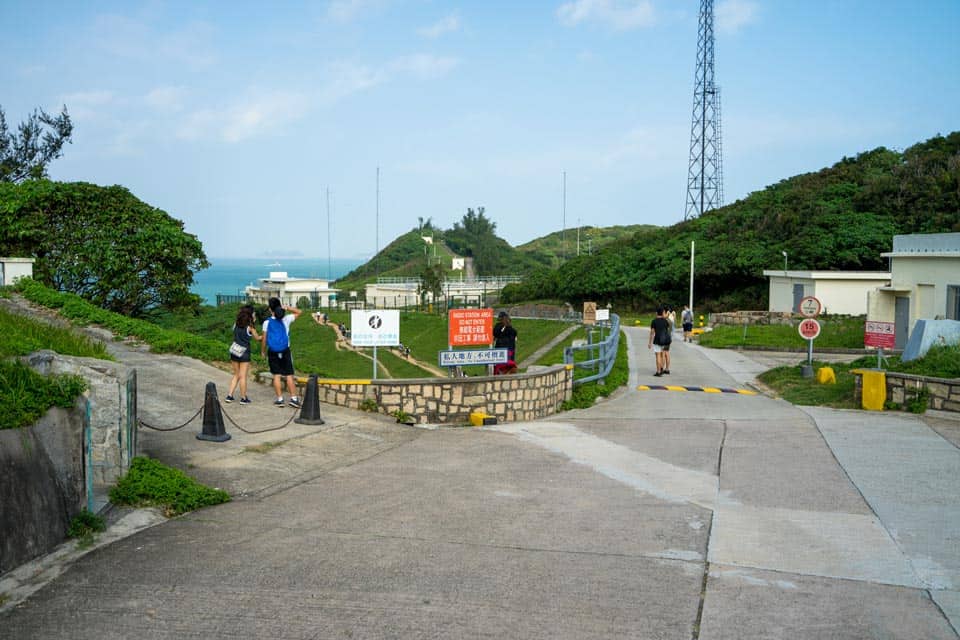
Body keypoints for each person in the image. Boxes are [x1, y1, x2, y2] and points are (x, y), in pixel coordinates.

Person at [261, 297, 302, 408]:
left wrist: (263, 351)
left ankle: (280, 399)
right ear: (279, 306)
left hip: (273, 351)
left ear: (270, 309)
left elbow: (264, 339)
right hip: (285, 350)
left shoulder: (266, 323)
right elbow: (299, 312)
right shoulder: (286, 319)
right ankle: (293, 398)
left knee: (277, 375)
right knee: (289, 374)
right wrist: (287, 307)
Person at [225, 305, 261, 404]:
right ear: (250, 315)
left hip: (234, 351)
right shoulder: (250, 328)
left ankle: (229, 396)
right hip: (244, 353)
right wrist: (265, 336)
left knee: (236, 374)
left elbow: (235, 333)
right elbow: (258, 338)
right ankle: (243, 398)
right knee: (243, 376)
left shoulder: (235, 324)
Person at [648, 306, 672, 376]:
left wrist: (650, 343)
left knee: (658, 355)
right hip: (664, 340)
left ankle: (658, 372)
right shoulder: (665, 321)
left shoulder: (654, 321)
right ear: (662, 313)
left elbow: (652, 333)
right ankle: (662, 368)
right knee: (663, 355)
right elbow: (667, 330)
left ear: (656, 313)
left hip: (657, 340)